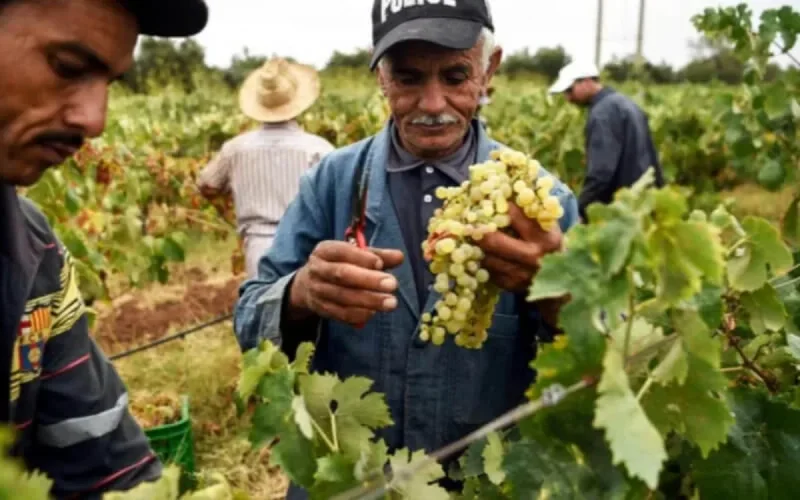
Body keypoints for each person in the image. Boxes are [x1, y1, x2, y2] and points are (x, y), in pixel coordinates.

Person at [234, 0, 579, 497]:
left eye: (456, 76)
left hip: (482, 486)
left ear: (489, 70)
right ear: (381, 77)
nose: (433, 103)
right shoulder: (330, 184)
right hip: (350, 483)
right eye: (409, 78)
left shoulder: (545, 203)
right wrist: (300, 295)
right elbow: (249, 320)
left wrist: (556, 298)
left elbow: (595, 359)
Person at [0, 0, 208, 497]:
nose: (95, 120)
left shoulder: (37, 260)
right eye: (67, 67)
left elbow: (103, 467)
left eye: (110, 84)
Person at [197, 57, 335, 279]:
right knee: (306, 307)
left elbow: (206, 184)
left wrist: (232, 197)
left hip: (258, 245)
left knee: (262, 307)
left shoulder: (235, 149)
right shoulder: (319, 149)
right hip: (307, 245)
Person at [548, 60, 664, 222]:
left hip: (620, 209)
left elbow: (601, 172)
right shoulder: (626, 103)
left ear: (587, 81)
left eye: (569, 90)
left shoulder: (602, 114)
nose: (568, 98)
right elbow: (652, 158)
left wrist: (581, 210)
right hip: (642, 203)